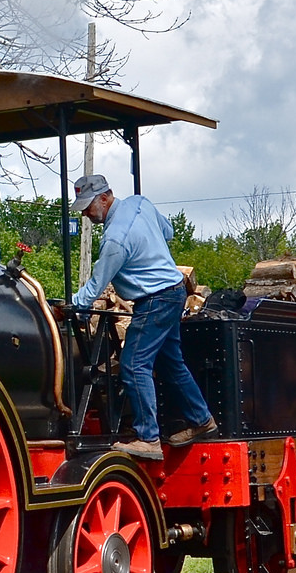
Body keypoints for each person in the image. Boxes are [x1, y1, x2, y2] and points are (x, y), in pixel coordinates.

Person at [68, 173, 216, 459]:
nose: (86, 213)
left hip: (155, 300)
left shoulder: (115, 239)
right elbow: (169, 232)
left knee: (133, 364)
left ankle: (148, 438)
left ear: (104, 197)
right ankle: (202, 420)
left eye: (88, 206)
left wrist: (73, 306)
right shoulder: (140, 204)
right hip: (174, 291)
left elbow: (97, 284)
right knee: (172, 362)